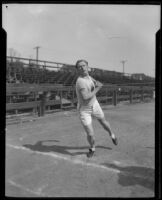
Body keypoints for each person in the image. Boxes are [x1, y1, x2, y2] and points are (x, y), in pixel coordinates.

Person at [75, 59, 118, 158]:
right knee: (90, 134)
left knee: (104, 123)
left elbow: (96, 82)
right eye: (79, 66)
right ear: (77, 69)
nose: (82, 67)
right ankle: (92, 148)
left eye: (84, 65)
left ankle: (112, 135)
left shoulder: (89, 77)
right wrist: (99, 87)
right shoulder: (80, 81)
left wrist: (97, 83)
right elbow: (86, 97)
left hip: (94, 104)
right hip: (84, 109)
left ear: (87, 67)